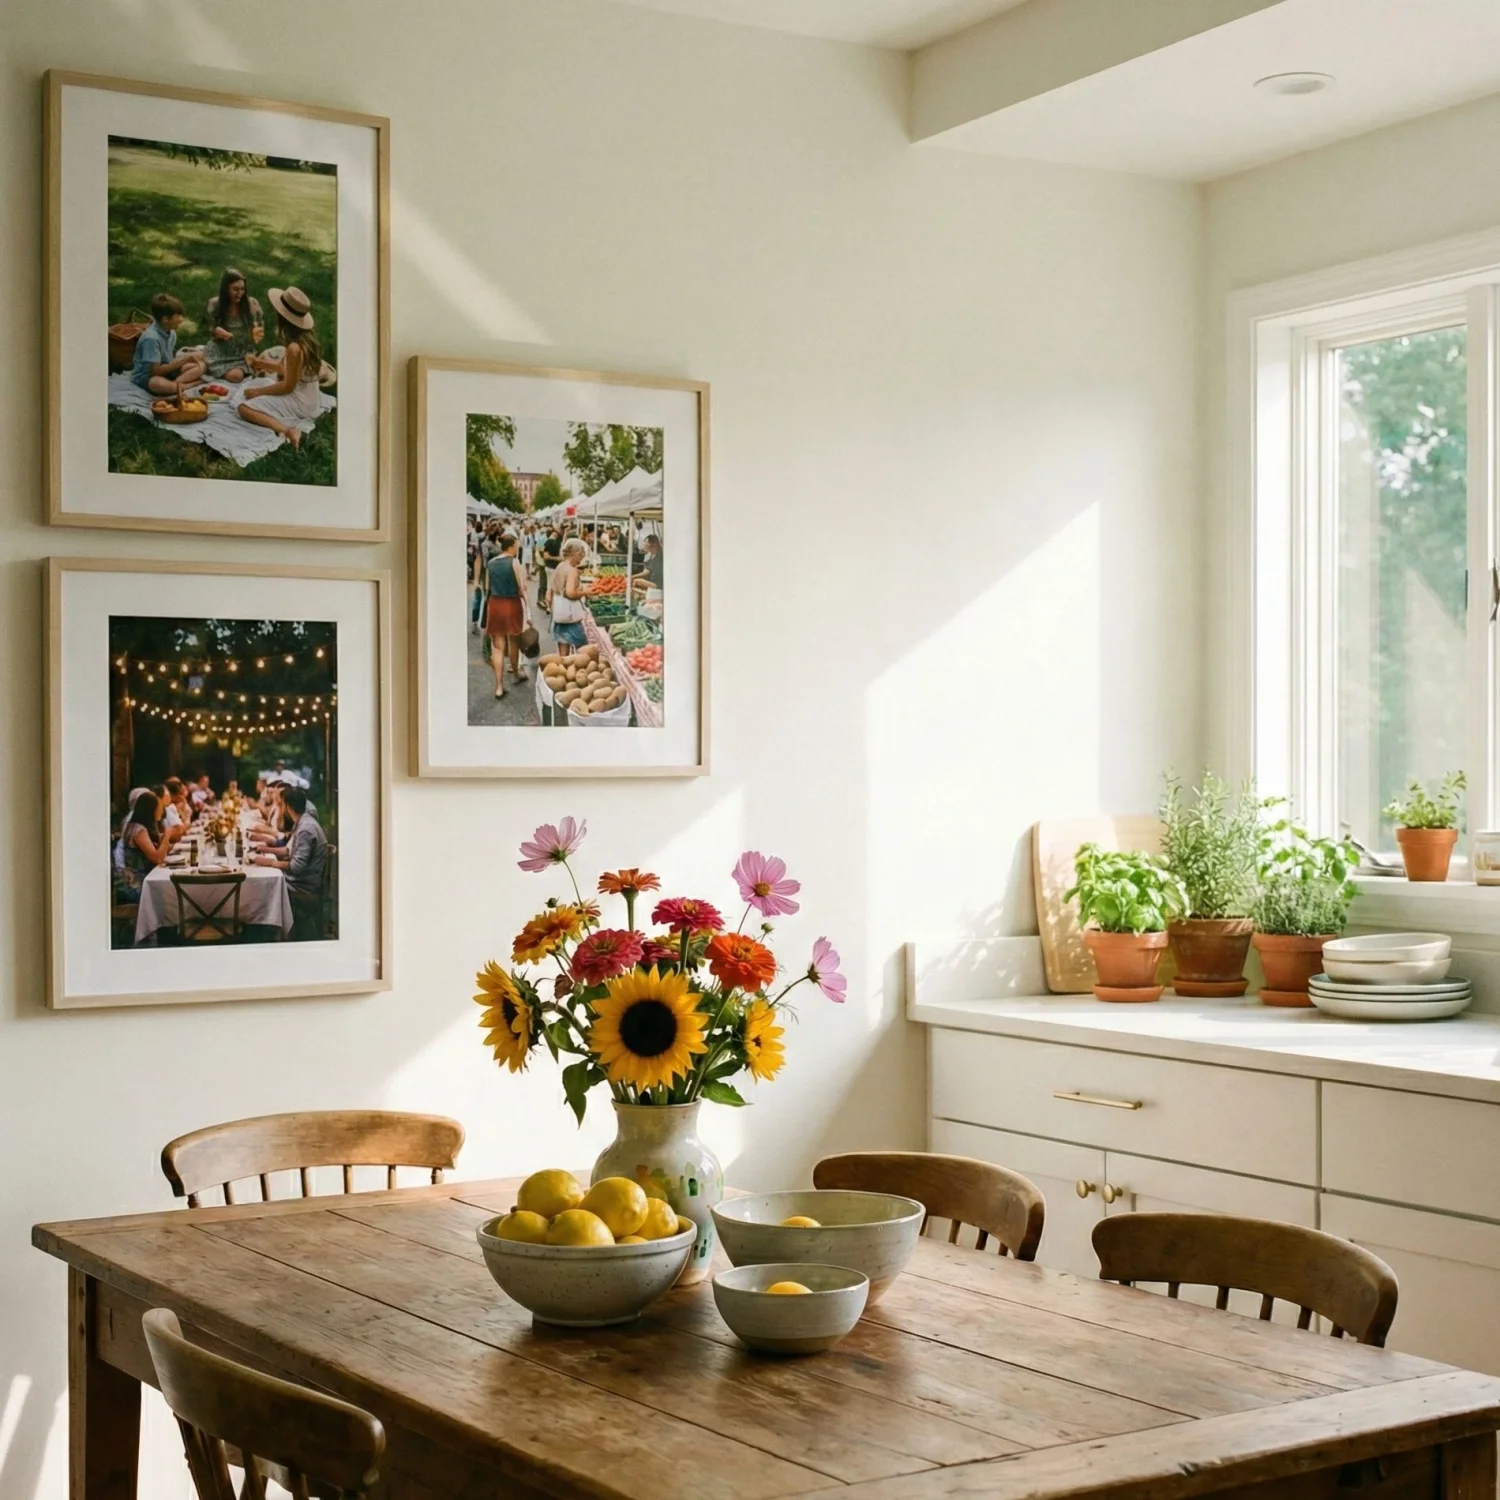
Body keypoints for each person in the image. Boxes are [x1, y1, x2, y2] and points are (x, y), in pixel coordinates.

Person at [233, 286, 323, 451]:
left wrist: (258, 393)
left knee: (243, 407)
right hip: (309, 396)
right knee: (261, 382)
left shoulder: (294, 348)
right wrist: (260, 363)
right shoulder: (305, 340)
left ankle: (288, 431)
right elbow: (285, 370)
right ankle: (286, 424)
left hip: (301, 401)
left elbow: (287, 386)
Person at [254, 786, 328, 941]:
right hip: (301, 880)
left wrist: (268, 863)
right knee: (265, 884)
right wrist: (265, 849)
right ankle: (271, 930)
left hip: (303, 886)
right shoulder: (302, 822)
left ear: (288, 806)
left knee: (265, 888)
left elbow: (296, 866)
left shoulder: (306, 829)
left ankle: (271, 934)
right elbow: (288, 851)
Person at [483, 531, 531, 699]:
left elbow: (488, 587)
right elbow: (522, 588)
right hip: (511, 604)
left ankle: (498, 686)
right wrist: (529, 612)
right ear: (511, 547)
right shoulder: (515, 562)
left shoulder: (491, 563)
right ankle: (516, 673)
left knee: (497, 646)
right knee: (513, 641)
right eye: (516, 546)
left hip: (495, 604)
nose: (517, 549)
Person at [132, 293, 206, 397]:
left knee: (196, 367)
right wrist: (184, 360)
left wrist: (188, 360)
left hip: (167, 370)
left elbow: (169, 359)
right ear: (165, 319)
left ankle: (176, 384)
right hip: (148, 376)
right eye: (178, 316)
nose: (181, 320)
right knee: (158, 384)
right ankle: (186, 386)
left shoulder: (171, 332)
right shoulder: (151, 338)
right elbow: (155, 372)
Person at [115, 787, 174, 905]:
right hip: (134, 885)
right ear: (150, 809)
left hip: (143, 878)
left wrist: (161, 840)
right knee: (171, 890)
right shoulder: (138, 830)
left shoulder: (140, 826)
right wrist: (167, 837)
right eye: (159, 808)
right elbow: (157, 859)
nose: (161, 812)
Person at [202, 268, 263, 382]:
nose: (240, 293)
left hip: (242, 353)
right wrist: (216, 332)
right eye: (235, 289)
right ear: (226, 289)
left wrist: (256, 331)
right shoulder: (215, 304)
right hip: (220, 351)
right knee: (190, 367)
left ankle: (209, 373)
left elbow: (259, 329)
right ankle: (208, 372)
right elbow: (210, 328)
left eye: (242, 289)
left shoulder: (251, 305)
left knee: (236, 376)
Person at [547, 538, 592, 657]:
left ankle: (564, 670)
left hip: (559, 613)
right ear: (576, 553)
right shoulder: (572, 571)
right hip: (570, 616)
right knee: (584, 649)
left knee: (563, 651)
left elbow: (551, 590)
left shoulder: (560, 566)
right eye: (581, 555)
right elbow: (571, 593)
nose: (582, 559)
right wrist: (585, 592)